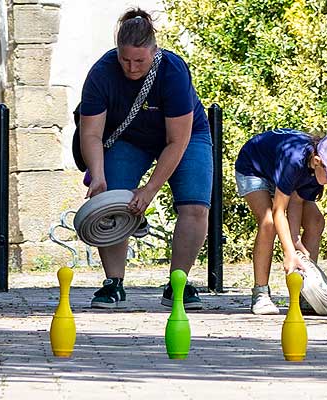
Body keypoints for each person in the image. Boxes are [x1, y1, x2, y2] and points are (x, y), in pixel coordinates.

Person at [74, 8, 217, 310]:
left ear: (154, 50)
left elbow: (177, 140)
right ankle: (113, 283)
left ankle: (179, 283)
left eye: (140, 60)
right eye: (125, 59)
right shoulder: (102, 73)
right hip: (129, 138)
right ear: (117, 51)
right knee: (111, 199)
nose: (131, 67)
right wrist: (98, 175)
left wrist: (150, 190)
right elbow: (91, 135)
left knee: (194, 205)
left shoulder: (173, 71)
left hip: (186, 136)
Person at [234, 129, 327, 315]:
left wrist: (294, 241)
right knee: (269, 222)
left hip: (285, 176)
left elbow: (296, 200)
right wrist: (289, 253)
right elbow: (279, 210)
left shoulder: (315, 171)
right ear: (318, 162)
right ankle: (260, 293)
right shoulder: (295, 161)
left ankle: (305, 293)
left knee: (315, 221)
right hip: (254, 168)